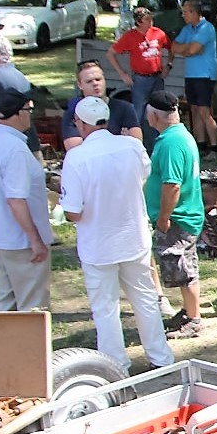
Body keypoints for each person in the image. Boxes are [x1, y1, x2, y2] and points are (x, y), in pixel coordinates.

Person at [58, 95, 173, 373]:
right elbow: (144, 175)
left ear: (81, 124)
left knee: (105, 308)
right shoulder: (132, 147)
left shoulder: (76, 157)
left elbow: (72, 211)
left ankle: (116, 364)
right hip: (133, 236)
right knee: (145, 299)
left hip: (98, 244)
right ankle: (161, 357)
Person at [0, 89, 53, 311]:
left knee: (6, 301)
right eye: (28, 110)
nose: (30, 115)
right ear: (19, 113)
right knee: (33, 306)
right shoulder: (16, 149)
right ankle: (30, 347)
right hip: (21, 241)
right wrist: (35, 239)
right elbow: (16, 199)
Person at [144, 92, 206, 338]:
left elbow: (172, 185)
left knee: (183, 267)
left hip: (179, 217)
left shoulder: (171, 143)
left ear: (153, 115)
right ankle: (188, 311)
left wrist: (163, 218)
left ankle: (194, 319)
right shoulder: (179, 135)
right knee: (182, 265)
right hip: (182, 214)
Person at [107, 8, 172, 125]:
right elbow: (110, 53)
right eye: (147, 19)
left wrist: (169, 65)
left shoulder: (158, 33)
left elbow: (172, 48)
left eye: (151, 18)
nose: (151, 22)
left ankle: (157, 137)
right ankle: (137, 138)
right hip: (140, 79)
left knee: (160, 109)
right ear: (139, 22)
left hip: (157, 77)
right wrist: (122, 73)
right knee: (138, 111)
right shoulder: (130, 36)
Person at [172, 0, 217, 158]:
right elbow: (174, 47)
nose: (183, 15)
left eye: (185, 12)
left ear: (194, 12)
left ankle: (214, 148)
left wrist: (188, 50)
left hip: (204, 75)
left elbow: (192, 49)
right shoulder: (187, 29)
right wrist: (188, 50)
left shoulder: (206, 28)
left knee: (204, 111)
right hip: (191, 75)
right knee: (194, 110)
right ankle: (200, 145)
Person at [63, 61, 142, 151]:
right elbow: (74, 150)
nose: (95, 84)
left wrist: (87, 143)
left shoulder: (125, 108)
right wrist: (122, 141)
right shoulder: (74, 113)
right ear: (80, 85)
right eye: (89, 81)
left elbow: (137, 145)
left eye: (98, 79)